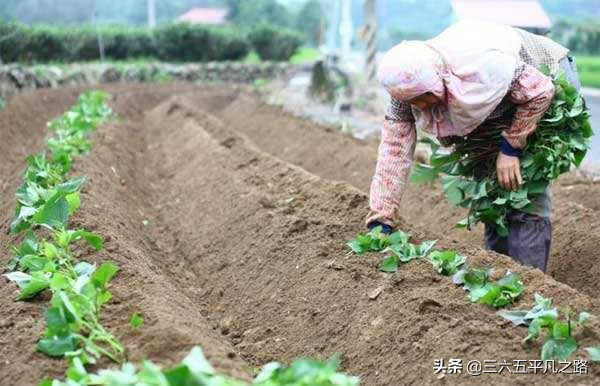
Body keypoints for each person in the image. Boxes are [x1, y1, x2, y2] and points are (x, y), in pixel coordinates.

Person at [366, 21, 582, 272]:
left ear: (436, 78)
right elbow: (393, 150)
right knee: (491, 188)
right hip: (499, 102)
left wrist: (511, 148)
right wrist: (381, 219)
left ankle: (530, 280)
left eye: (425, 97)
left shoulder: (481, 67)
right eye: (414, 102)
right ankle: (499, 272)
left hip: (545, 77)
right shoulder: (406, 90)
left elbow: (540, 92)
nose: (422, 106)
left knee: (524, 185)